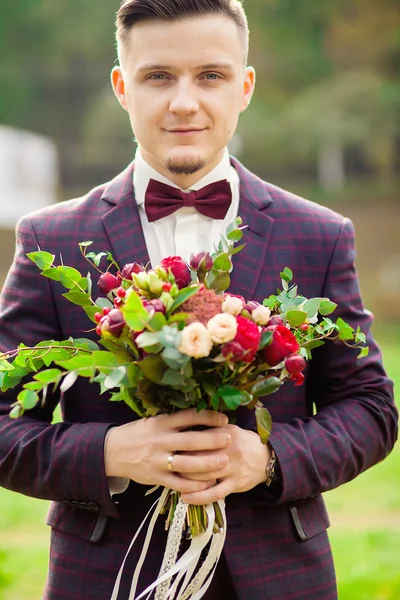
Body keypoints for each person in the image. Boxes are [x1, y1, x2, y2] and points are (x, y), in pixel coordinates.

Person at [0, 1, 397, 599]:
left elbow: (371, 410)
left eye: (210, 75)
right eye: (158, 76)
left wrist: (267, 459)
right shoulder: (50, 240)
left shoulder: (320, 233)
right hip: (104, 577)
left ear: (244, 86)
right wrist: (108, 451)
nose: (184, 101)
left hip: (280, 578)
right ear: (121, 87)